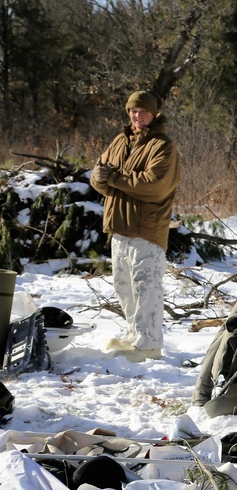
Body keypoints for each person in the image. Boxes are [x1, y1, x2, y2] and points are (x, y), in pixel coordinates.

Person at [90, 90, 180, 362]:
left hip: (147, 229)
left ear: (153, 114)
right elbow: (99, 177)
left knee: (146, 287)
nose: (136, 115)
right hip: (119, 226)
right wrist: (99, 176)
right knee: (123, 285)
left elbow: (154, 185)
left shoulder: (162, 146)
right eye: (132, 110)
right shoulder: (120, 141)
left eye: (142, 111)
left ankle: (149, 344)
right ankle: (134, 337)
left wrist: (114, 177)